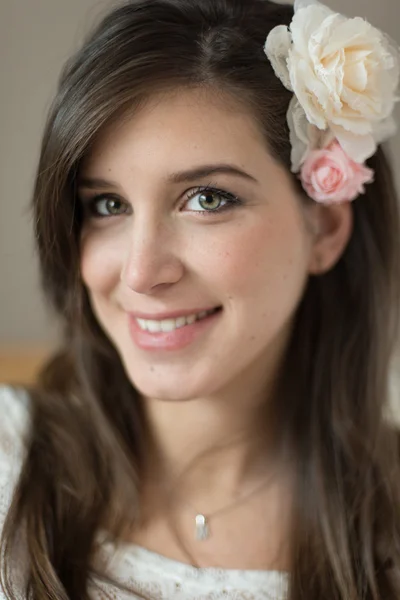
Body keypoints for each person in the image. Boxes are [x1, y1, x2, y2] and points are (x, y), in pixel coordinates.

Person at [1, 0, 400, 598]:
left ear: (325, 228)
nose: (140, 272)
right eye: (107, 205)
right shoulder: (8, 464)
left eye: (207, 199)